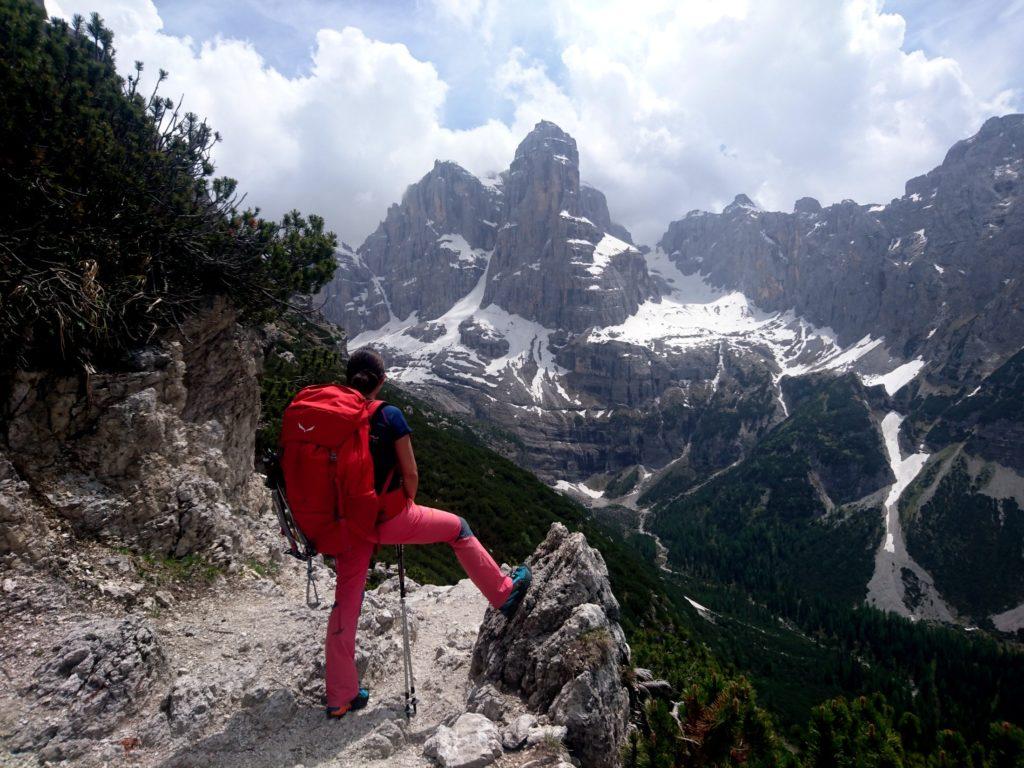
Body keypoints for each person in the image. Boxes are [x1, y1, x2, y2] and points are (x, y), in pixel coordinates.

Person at [325, 347, 533, 719]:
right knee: (458, 529)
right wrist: (405, 506)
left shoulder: (334, 417)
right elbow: (412, 474)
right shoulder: (390, 415)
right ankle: (502, 593)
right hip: (390, 519)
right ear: (382, 381)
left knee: (346, 605)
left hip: (348, 526)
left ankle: (341, 697)